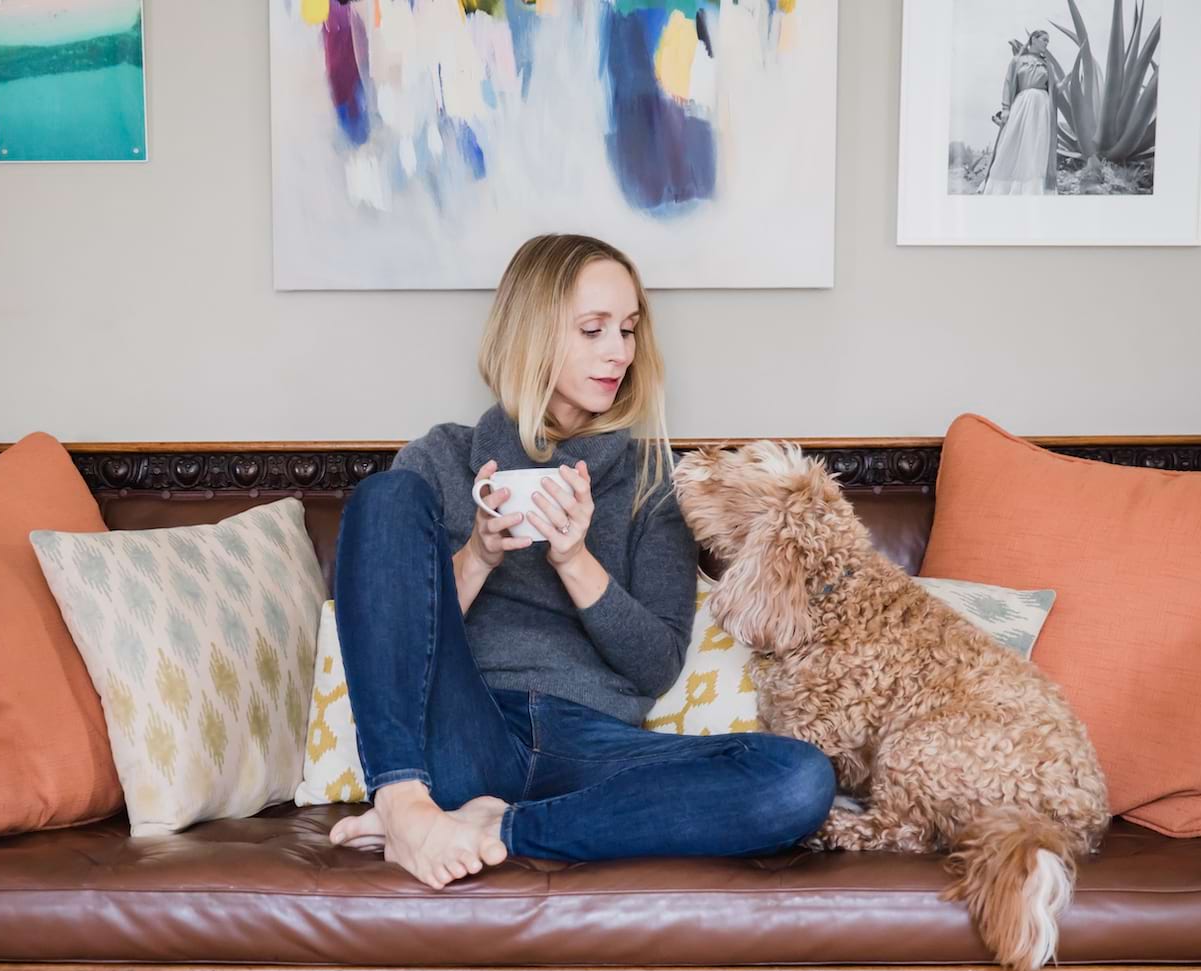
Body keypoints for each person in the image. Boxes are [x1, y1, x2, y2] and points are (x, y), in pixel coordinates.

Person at [326, 233, 836, 890]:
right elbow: (396, 633)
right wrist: (480, 554)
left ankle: (499, 826)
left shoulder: (656, 481)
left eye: (627, 330)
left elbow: (654, 665)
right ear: (531, 334)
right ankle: (403, 807)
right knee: (386, 495)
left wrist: (574, 559)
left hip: (593, 746)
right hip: (463, 729)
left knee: (797, 779)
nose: (619, 352)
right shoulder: (441, 460)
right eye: (593, 330)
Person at [981, 30, 1066, 195]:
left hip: (1041, 108)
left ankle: (1032, 188)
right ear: (1033, 39)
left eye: (1048, 41)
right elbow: (1007, 84)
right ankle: (1003, 187)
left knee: (1036, 145)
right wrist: (1005, 108)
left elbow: (1054, 90)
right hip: (1021, 105)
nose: (1046, 44)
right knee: (1011, 142)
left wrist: (1066, 82)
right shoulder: (1016, 61)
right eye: (1044, 40)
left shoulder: (1047, 64)